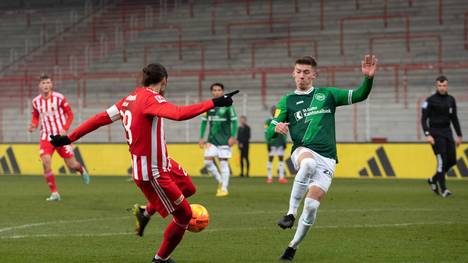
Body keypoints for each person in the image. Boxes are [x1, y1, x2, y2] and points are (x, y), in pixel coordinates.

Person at [50, 63, 238, 263]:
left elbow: (100, 119)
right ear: (164, 81)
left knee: (188, 187)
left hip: (163, 163)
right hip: (152, 172)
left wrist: (69, 138)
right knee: (184, 216)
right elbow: (179, 114)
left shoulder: (129, 99)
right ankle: (161, 259)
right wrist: (215, 102)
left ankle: (145, 212)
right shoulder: (152, 99)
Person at [266, 55, 377, 261]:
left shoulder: (327, 95)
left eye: (306, 72)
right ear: (293, 74)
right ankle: (290, 214)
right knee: (307, 163)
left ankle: (292, 247)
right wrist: (276, 127)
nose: (301, 76)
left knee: (311, 207)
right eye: (298, 71)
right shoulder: (287, 101)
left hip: (327, 158)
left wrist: (368, 79)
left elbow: (360, 95)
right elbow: (269, 132)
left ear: (314, 75)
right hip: (302, 150)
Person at [28, 74, 89, 201]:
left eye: (48, 83)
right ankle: (55, 193)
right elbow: (35, 116)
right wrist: (33, 125)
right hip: (46, 137)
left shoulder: (59, 98)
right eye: (43, 83)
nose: (46, 85)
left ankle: (81, 170)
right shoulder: (35, 101)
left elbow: (70, 114)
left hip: (61, 137)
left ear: (51, 85)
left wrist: (65, 128)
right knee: (45, 161)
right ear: (40, 86)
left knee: (72, 165)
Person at [422, 75, 462, 198]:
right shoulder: (429, 100)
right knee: (442, 161)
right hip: (435, 134)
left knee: (452, 161)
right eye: (440, 85)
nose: (442, 88)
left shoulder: (451, 100)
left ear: (447, 86)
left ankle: (433, 179)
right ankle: (444, 190)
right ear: (436, 86)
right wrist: (427, 134)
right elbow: (423, 119)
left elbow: (454, 118)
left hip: (448, 133)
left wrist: (459, 135)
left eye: (444, 85)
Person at [199, 83, 238, 197]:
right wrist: (201, 137)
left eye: (219, 90)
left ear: (222, 91)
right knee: (207, 162)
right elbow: (204, 122)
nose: (216, 92)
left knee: (223, 163)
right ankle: (221, 181)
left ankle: (224, 188)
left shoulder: (228, 105)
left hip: (225, 140)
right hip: (212, 140)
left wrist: (233, 136)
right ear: (212, 92)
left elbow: (234, 121)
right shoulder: (208, 105)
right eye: (214, 90)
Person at [265, 106, 288, 184]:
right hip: (272, 144)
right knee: (270, 160)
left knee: (281, 160)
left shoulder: (280, 119)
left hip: (280, 143)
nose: (274, 111)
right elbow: (266, 133)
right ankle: (269, 177)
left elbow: (284, 132)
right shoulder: (268, 121)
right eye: (273, 110)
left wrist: (284, 142)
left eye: (275, 110)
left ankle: (281, 177)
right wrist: (268, 143)